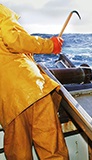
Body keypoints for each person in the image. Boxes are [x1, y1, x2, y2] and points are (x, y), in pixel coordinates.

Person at [0, 4, 69, 159]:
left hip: (8, 100)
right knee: (53, 151)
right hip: (33, 88)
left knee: (19, 153)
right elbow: (13, 40)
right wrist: (51, 45)